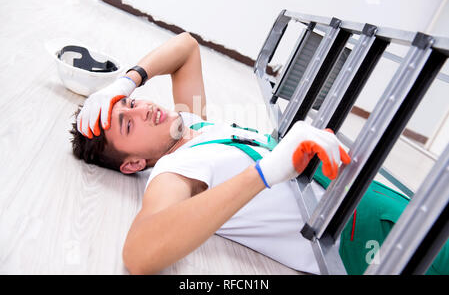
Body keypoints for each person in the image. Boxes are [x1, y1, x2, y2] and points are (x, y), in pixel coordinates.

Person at [70, 32, 448, 275]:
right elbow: (139, 254)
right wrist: (267, 171)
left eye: (131, 104)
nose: (141, 110)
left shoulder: (192, 123)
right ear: (133, 163)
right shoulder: (174, 170)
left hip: (371, 192)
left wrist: (123, 82)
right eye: (128, 124)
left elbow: (186, 47)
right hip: (364, 241)